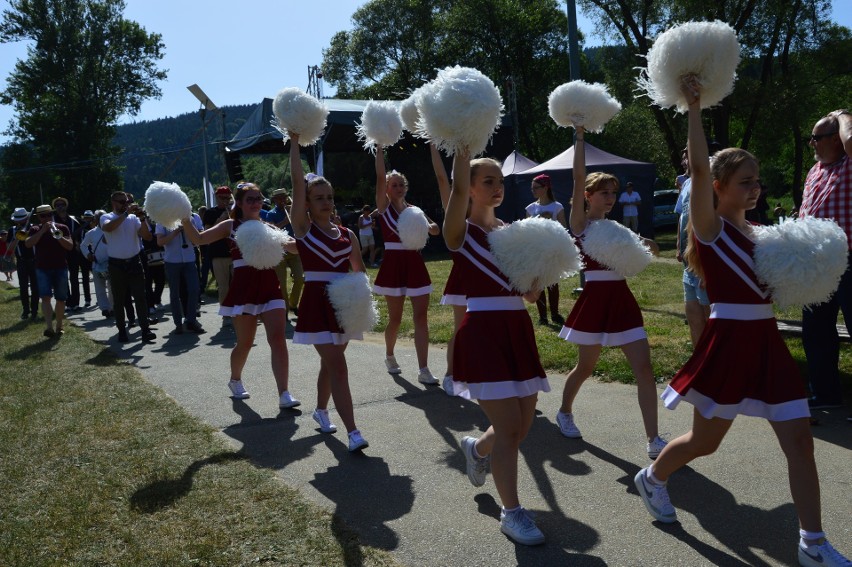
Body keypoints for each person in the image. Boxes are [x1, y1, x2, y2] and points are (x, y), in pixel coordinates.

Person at [634, 76, 851, 567]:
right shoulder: (708, 229)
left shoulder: (764, 234)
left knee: (800, 441)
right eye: (744, 182)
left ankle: (812, 542)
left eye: (757, 181)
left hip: (767, 342)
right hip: (727, 341)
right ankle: (653, 478)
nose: (755, 189)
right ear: (717, 188)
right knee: (705, 444)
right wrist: (693, 111)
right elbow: (698, 161)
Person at [444, 149, 550, 545]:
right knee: (509, 429)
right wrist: (462, 152)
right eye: (487, 181)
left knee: (519, 428)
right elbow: (454, 192)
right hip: (483, 331)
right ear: (469, 189)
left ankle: (477, 449)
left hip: (517, 329)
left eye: (500, 181)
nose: (497, 187)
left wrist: (539, 272)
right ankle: (512, 512)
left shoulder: (510, 230)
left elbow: (529, 296)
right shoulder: (461, 232)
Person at [557, 125, 666, 460]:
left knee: (644, 369)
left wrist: (648, 244)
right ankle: (564, 411)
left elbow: (646, 249)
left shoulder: (616, 227)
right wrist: (579, 138)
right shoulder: (581, 224)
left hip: (622, 301)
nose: (610, 197)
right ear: (588, 196)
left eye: (613, 193)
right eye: (604, 192)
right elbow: (577, 178)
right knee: (585, 367)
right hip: (594, 301)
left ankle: (653, 438)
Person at [182, 182, 299, 409]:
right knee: (245, 343)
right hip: (244, 289)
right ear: (241, 203)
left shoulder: (268, 227)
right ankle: (235, 379)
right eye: (250, 199)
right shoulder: (230, 225)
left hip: (270, 287)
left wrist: (309, 236)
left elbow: (293, 246)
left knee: (278, 339)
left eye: (258, 198)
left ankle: (284, 393)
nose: (255, 203)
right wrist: (184, 217)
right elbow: (199, 239)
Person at [289, 133, 369, 452]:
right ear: (307, 202)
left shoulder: (347, 234)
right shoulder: (303, 229)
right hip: (315, 303)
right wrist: (295, 142)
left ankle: (321, 411)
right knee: (337, 365)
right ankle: (353, 432)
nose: (326, 201)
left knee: (330, 364)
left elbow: (359, 270)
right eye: (318, 197)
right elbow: (297, 181)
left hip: (344, 305)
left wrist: (359, 303)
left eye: (329, 196)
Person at [797, 109, 852, 411]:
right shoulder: (815, 170)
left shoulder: (849, 162)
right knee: (816, 332)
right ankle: (825, 394)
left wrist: (844, 115)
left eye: (817, 137)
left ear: (836, 139)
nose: (811, 143)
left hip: (849, 260)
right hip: (816, 264)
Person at [373, 143, 441, 385]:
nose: (399, 188)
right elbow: (380, 177)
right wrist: (380, 149)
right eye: (394, 185)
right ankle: (390, 355)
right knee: (395, 318)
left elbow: (435, 230)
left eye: (402, 184)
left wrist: (427, 227)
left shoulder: (415, 210)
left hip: (414, 262)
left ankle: (424, 368)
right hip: (393, 264)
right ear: (387, 189)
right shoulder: (383, 208)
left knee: (421, 317)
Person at [101, 191, 156, 343]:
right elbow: (108, 228)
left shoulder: (133, 218)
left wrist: (143, 218)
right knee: (119, 301)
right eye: (121, 202)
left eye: (126, 202)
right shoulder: (106, 217)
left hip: (134, 261)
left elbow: (147, 237)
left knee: (141, 297)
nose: (125, 204)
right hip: (116, 264)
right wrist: (125, 214)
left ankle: (145, 330)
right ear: (113, 203)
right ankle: (122, 331)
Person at [674, 147, 710, 347]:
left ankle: (717, 365)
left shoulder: (710, 183)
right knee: (694, 317)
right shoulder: (686, 183)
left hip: (704, 260)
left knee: (709, 316)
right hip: (688, 262)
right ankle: (699, 363)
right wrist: (679, 243)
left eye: (686, 157)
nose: (683, 162)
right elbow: (681, 215)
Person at [25, 204, 73, 337]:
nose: (46, 218)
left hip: (60, 267)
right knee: (45, 298)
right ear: (39, 218)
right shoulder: (35, 229)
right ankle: (49, 327)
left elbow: (69, 246)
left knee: (61, 299)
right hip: (42, 268)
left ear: (52, 215)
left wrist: (57, 235)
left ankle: (59, 325)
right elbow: (28, 244)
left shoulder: (62, 228)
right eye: (43, 216)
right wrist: (42, 232)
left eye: (48, 215)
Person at [525, 173, 566, 325]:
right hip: (536, 251)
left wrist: (550, 222)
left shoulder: (557, 207)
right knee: (538, 283)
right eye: (532, 188)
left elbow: (564, 228)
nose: (533, 190)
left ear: (546, 188)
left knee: (553, 283)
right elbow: (527, 230)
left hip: (552, 249)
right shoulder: (531, 208)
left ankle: (555, 314)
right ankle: (543, 316)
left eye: (536, 187)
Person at [156, 215, 205, 335]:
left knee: (194, 289)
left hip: (189, 259)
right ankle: (178, 323)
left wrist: (188, 229)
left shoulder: (190, 219)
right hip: (172, 261)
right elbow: (160, 241)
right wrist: (176, 232)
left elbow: (196, 240)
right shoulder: (163, 220)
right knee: (175, 293)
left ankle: (191, 320)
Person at [262, 188, 304, 314]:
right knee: (281, 282)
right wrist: (285, 221)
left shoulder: (293, 210)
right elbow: (271, 231)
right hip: (279, 251)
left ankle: (293, 303)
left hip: (295, 249)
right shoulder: (271, 213)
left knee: (300, 278)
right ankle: (284, 310)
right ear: (274, 200)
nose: (282, 200)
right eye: (279, 198)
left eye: (284, 197)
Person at [203, 186, 235, 329]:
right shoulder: (210, 213)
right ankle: (226, 315)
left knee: (238, 285)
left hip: (235, 253)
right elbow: (207, 233)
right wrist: (221, 219)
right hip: (218, 254)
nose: (226, 201)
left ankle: (239, 311)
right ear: (216, 197)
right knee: (223, 287)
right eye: (223, 198)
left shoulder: (235, 211)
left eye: (228, 198)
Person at [52, 197, 84, 312]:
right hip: (59, 252)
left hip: (73, 252)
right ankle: (68, 302)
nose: (60, 206)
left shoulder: (74, 219)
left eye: (62, 204)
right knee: (62, 278)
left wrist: (79, 243)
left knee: (74, 278)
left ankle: (75, 303)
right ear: (55, 208)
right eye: (57, 205)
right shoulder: (52, 221)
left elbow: (83, 230)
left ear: (66, 206)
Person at [80, 210, 113, 317]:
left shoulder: (112, 230)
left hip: (113, 264)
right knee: (100, 288)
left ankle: (112, 307)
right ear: (96, 220)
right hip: (98, 264)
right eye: (99, 218)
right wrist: (88, 255)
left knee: (112, 287)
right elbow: (83, 245)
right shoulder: (91, 233)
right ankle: (104, 308)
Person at [9, 207, 39, 319]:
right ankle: (26, 310)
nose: (20, 222)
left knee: (35, 287)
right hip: (21, 261)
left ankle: (35, 310)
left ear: (27, 218)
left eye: (22, 219)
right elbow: (10, 248)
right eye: (18, 220)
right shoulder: (12, 230)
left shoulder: (34, 228)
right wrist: (17, 237)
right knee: (23, 287)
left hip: (34, 260)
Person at [75, 210, 96, 309]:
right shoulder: (80, 229)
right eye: (86, 217)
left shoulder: (94, 229)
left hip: (93, 255)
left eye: (89, 217)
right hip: (82, 256)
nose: (87, 219)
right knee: (85, 278)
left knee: (97, 277)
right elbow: (77, 240)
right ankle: (88, 299)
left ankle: (100, 296)